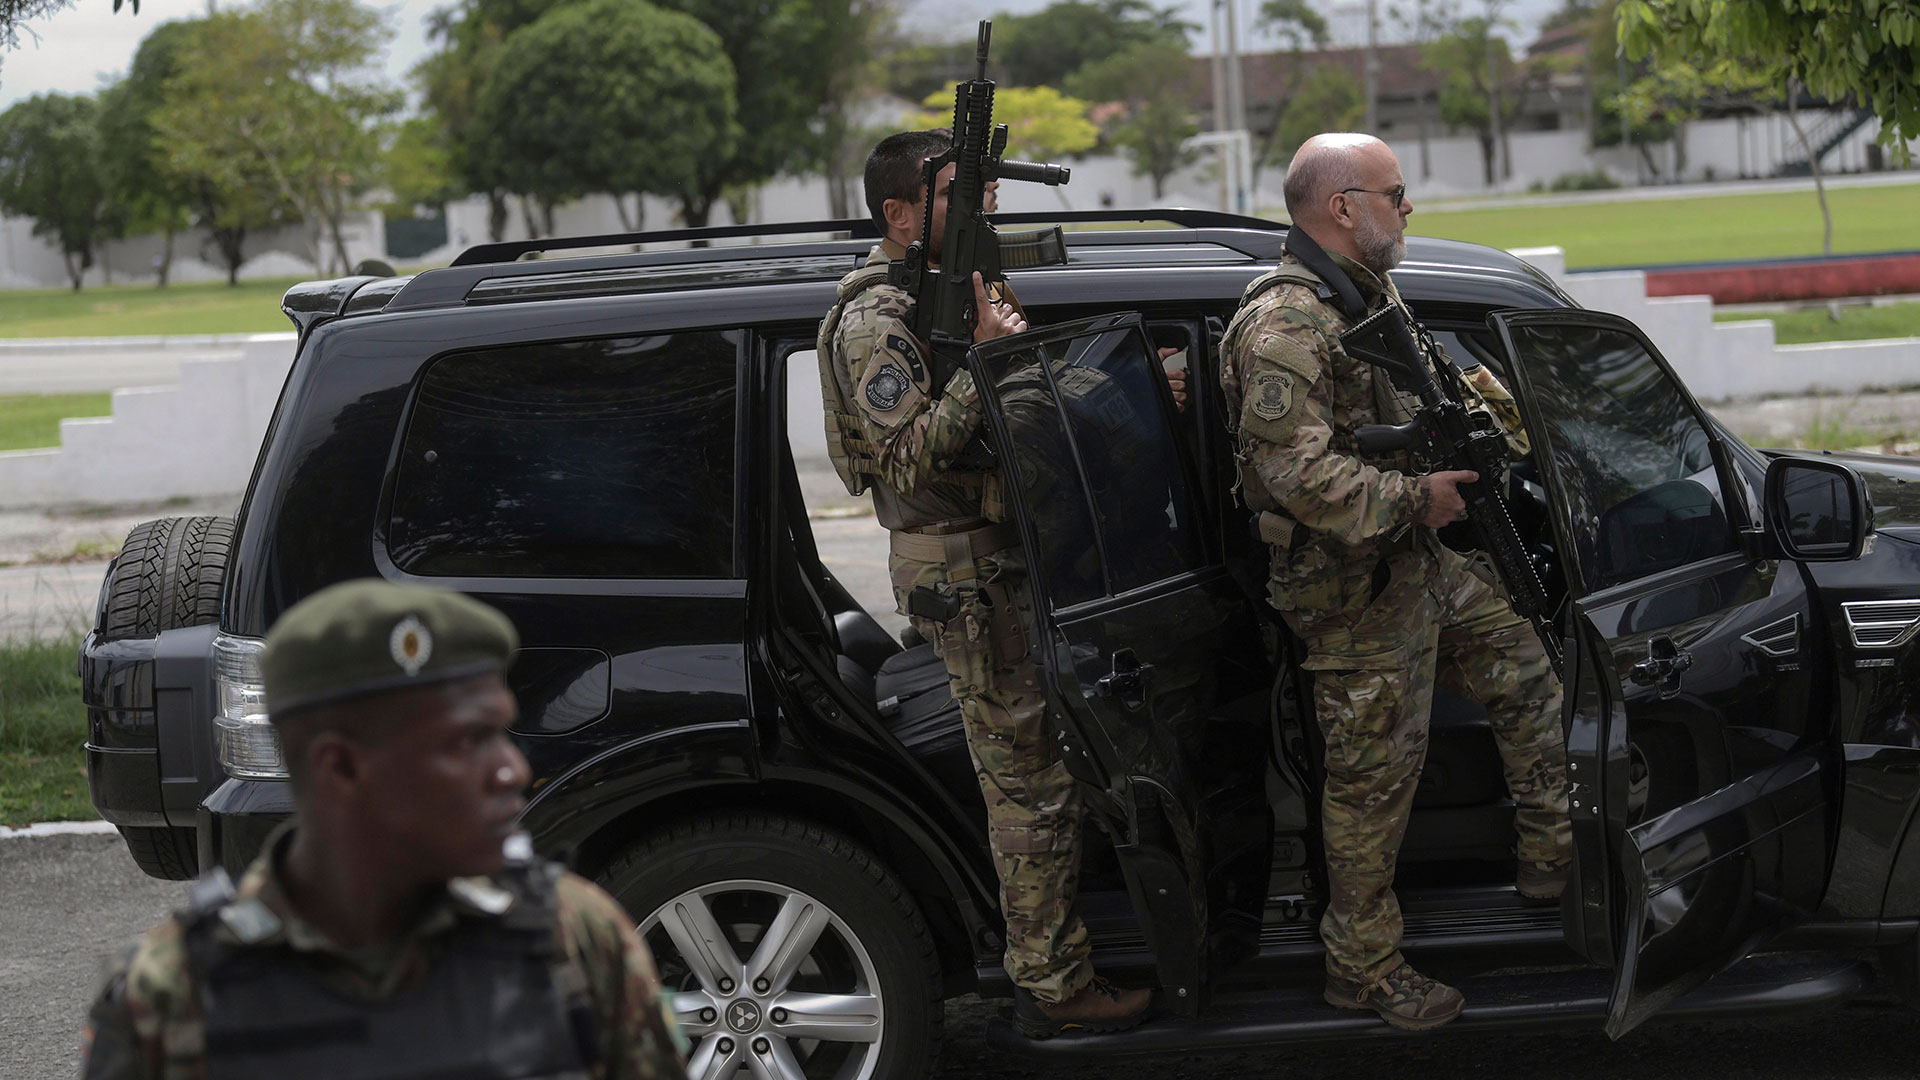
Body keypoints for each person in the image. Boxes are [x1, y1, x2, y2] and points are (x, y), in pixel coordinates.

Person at [1217, 132, 1572, 1031]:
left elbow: (1425, 404)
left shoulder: (1369, 297)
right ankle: (1363, 969)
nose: (1408, 208)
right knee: (1373, 785)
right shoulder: (1288, 322)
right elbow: (1297, 479)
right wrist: (1420, 497)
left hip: (1416, 567)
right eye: (1396, 193)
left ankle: (1554, 862)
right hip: (1348, 593)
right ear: (1343, 207)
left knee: (1529, 667)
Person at [814, 128, 1155, 1039]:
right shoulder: (875, 320)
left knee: (1050, 769)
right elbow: (910, 457)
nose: (987, 207)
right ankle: (1053, 986)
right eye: (961, 196)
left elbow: (1026, 408)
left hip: (1007, 563)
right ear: (898, 212)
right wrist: (991, 356)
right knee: (1030, 786)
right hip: (966, 574)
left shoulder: (957, 290)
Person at [79, 580, 687, 1080]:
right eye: (466, 742)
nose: (513, 769)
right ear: (340, 768)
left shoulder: (575, 939)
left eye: (503, 732)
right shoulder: (171, 996)